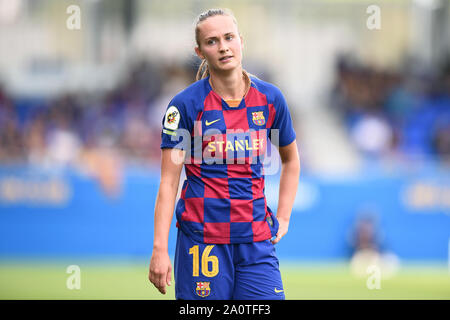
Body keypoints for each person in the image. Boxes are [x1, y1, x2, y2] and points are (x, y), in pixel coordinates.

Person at [148, 8, 300, 300]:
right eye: (212, 41)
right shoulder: (185, 106)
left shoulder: (270, 99)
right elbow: (168, 183)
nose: (223, 47)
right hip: (202, 242)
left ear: (241, 40)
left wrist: (284, 217)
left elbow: (291, 160)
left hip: (256, 240)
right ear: (200, 51)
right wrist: (159, 248)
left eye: (229, 37)